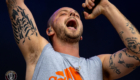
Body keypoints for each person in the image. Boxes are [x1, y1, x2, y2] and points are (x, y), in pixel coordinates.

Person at [6, 0, 140, 80]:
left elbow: (137, 53)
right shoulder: (40, 53)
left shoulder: (97, 66)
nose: (72, 14)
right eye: (63, 13)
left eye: (76, 15)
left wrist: (106, 6)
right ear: (50, 30)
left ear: (81, 35)